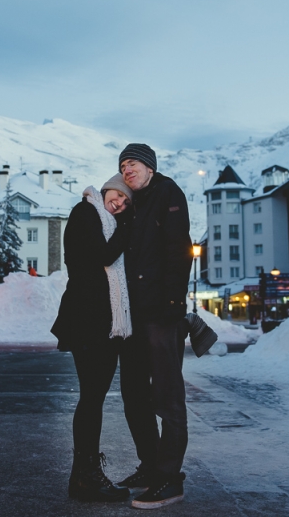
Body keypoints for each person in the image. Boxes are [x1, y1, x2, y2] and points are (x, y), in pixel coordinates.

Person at [115, 143, 193, 509]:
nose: (127, 170)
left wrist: (174, 304)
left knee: (167, 397)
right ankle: (149, 466)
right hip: (134, 316)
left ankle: (170, 479)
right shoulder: (134, 203)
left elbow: (180, 248)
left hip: (161, 315)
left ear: (149, 167)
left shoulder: (167, 193)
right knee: (133, 395)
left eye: (133, 164)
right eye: (122, 166)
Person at [51, 174, 134, 503]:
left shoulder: (106, 221)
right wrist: (127, 228)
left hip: (100, 321)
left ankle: (83, 476)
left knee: (93, 397)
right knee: (90, 398)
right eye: (119, 195)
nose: (121, 203)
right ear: (107, 189)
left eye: (128, 202)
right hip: (87, 319)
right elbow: (103, 256)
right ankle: (85, 477)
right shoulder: (86, 212)